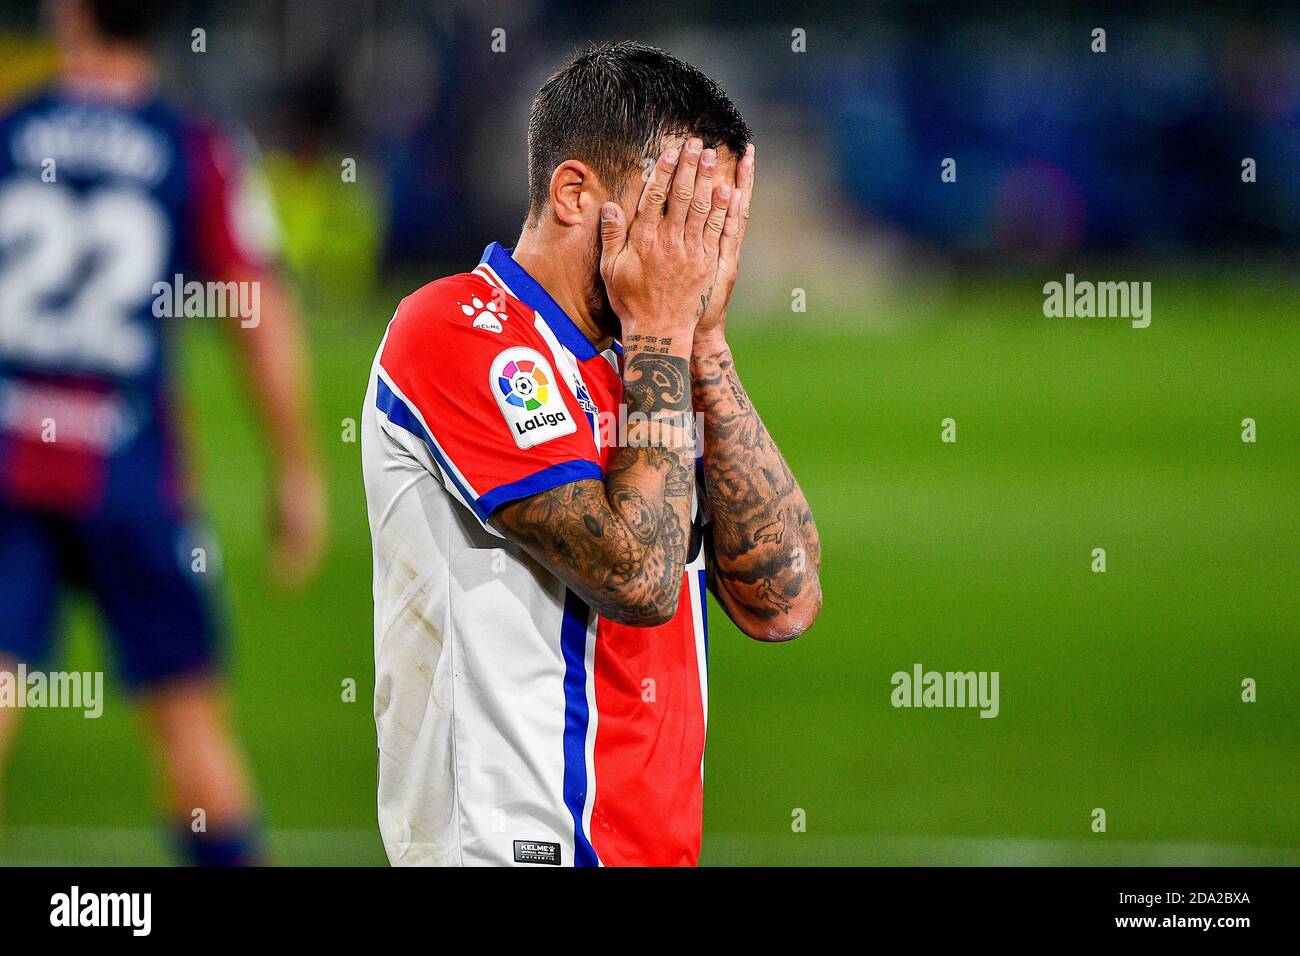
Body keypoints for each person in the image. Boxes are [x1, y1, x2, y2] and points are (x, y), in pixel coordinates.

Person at [361, 41, 821, 866]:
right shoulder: (459, 331)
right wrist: (660, 334)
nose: (701, 249)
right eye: (680, 212)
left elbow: (783, 599)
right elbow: (640, 580)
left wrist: (704, 342)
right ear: (575, 193)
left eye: (716, 221)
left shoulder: (657, 360)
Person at [0, 0, 325, 865]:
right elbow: (256, 308)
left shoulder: (12, 129)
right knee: (188, 726)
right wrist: (295, 467)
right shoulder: (194, 146)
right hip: (130, 470)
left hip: (8, 461)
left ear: (71, 12)